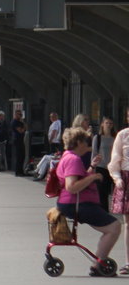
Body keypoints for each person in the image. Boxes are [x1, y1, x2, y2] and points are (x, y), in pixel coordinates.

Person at [55, 126, 121, 276]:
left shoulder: (68, 156)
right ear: (78, 142)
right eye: (85, 141)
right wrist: (93, 177)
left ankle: (99, 261)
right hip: (77, 203)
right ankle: (97, 264)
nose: (88, 143)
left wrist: (91, 168)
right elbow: (71, 186)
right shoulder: (73, 159)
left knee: (111, 228)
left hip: (73, 203)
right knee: (114, 227)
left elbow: (78, 177)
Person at [108, 113, 129, 274]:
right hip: (126, 178)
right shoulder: (123, 135)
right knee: (128, 223)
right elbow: (115, 160)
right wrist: (117, 178)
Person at [92, 117, 116, 210]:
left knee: (112, 192)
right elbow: (94, 153)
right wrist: (93, 168)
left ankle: (111, 209)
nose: (109, 125)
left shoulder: (115, 137)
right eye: (107, 123)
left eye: (111, 123)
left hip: (112, 168)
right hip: (100, 167)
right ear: (102, 124)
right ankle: (104, 211)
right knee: (102, 192)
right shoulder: (97, 138)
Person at [10, 109, 27, 176]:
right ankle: (17, 172)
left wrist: (23, 122)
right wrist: (23, 128)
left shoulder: (20, 122)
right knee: (18, 156)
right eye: (19, 114)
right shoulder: (14, 122)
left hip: (21, 140)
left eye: (21, 114)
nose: (20, 116)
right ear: (16, 114)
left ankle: (21, 171)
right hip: (17, 140)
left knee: (23, 156)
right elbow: (21, 131)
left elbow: (26, 127)